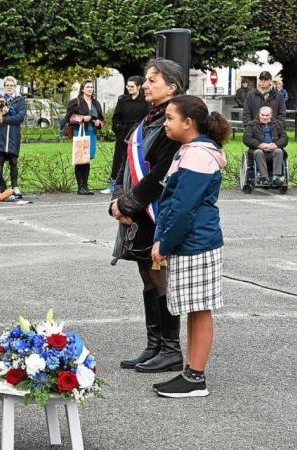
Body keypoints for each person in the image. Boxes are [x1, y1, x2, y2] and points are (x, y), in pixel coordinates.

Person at [151, 95, 230, 398]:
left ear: (188, 122)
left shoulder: (197, 155)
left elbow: (183, 207)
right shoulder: (190, 150)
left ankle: (195, 377)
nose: (165, 123)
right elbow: (174, 204)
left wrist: (165, 244)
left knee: (199, 309)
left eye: (170, 118)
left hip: (195, 242)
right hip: (191, 240)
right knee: (196, 309)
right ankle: (192, 373)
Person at [111, 58, 185, 373]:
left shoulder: (174, 121)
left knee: (161, 280)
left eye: (152, 80)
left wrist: (128, 204)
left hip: (155, 214)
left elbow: (161, 174)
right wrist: (116, 200)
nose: (145, 85)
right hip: (137, 214)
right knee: (148, 280)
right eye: (146, 80)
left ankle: (170, 349)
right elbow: (126, 167)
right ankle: (154, 345)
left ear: (172, 86)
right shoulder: (150, 118)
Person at [102, 76, 149, 194]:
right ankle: (114, 183)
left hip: (139, 133)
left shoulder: (146, 101)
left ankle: (136, 182)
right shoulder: (122, 100)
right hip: (123, 133)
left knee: (138, 157)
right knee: (119, 158)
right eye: (128, 86)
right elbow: (116, 117)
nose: (129, 89)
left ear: (139, 86)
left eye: (132, 86)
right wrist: (119, 129)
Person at [0, 76, 26, 199]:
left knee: (14, 161)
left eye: (11, 85)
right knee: (0, 162)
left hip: (13, 135)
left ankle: (15, 187)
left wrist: (3, 119)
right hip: (1, 135)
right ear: (4, 87)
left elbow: (19, 118)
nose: (9, 87)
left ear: (15, 87)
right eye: (7, 85)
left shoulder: (20, 100)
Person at [65, 79, 104, 195]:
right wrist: (82, 118)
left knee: (87, 159)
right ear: (82, 89)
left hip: (92, 132)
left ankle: (85, 186)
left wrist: (98, 122)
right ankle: (80, 186)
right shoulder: (75, 102)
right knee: (80, 159)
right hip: (80, 131)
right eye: (87, 87)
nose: (90, 89)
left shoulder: (96, 103)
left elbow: (102, 119)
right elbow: (69, 118)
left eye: (91, 87)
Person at [243, 106, 288, 186]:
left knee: (279, 151)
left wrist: (276, 145)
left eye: (267, 115)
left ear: (271, 115)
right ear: (259, 114)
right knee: (258, 152)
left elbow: (284, 138)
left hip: (273, 151)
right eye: (263, 115)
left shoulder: (277, 124)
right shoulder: (252, 125)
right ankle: (263, 178)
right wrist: (259, 145)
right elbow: (246, 139)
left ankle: (277, 177)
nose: (265, 117)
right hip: (258, 151)